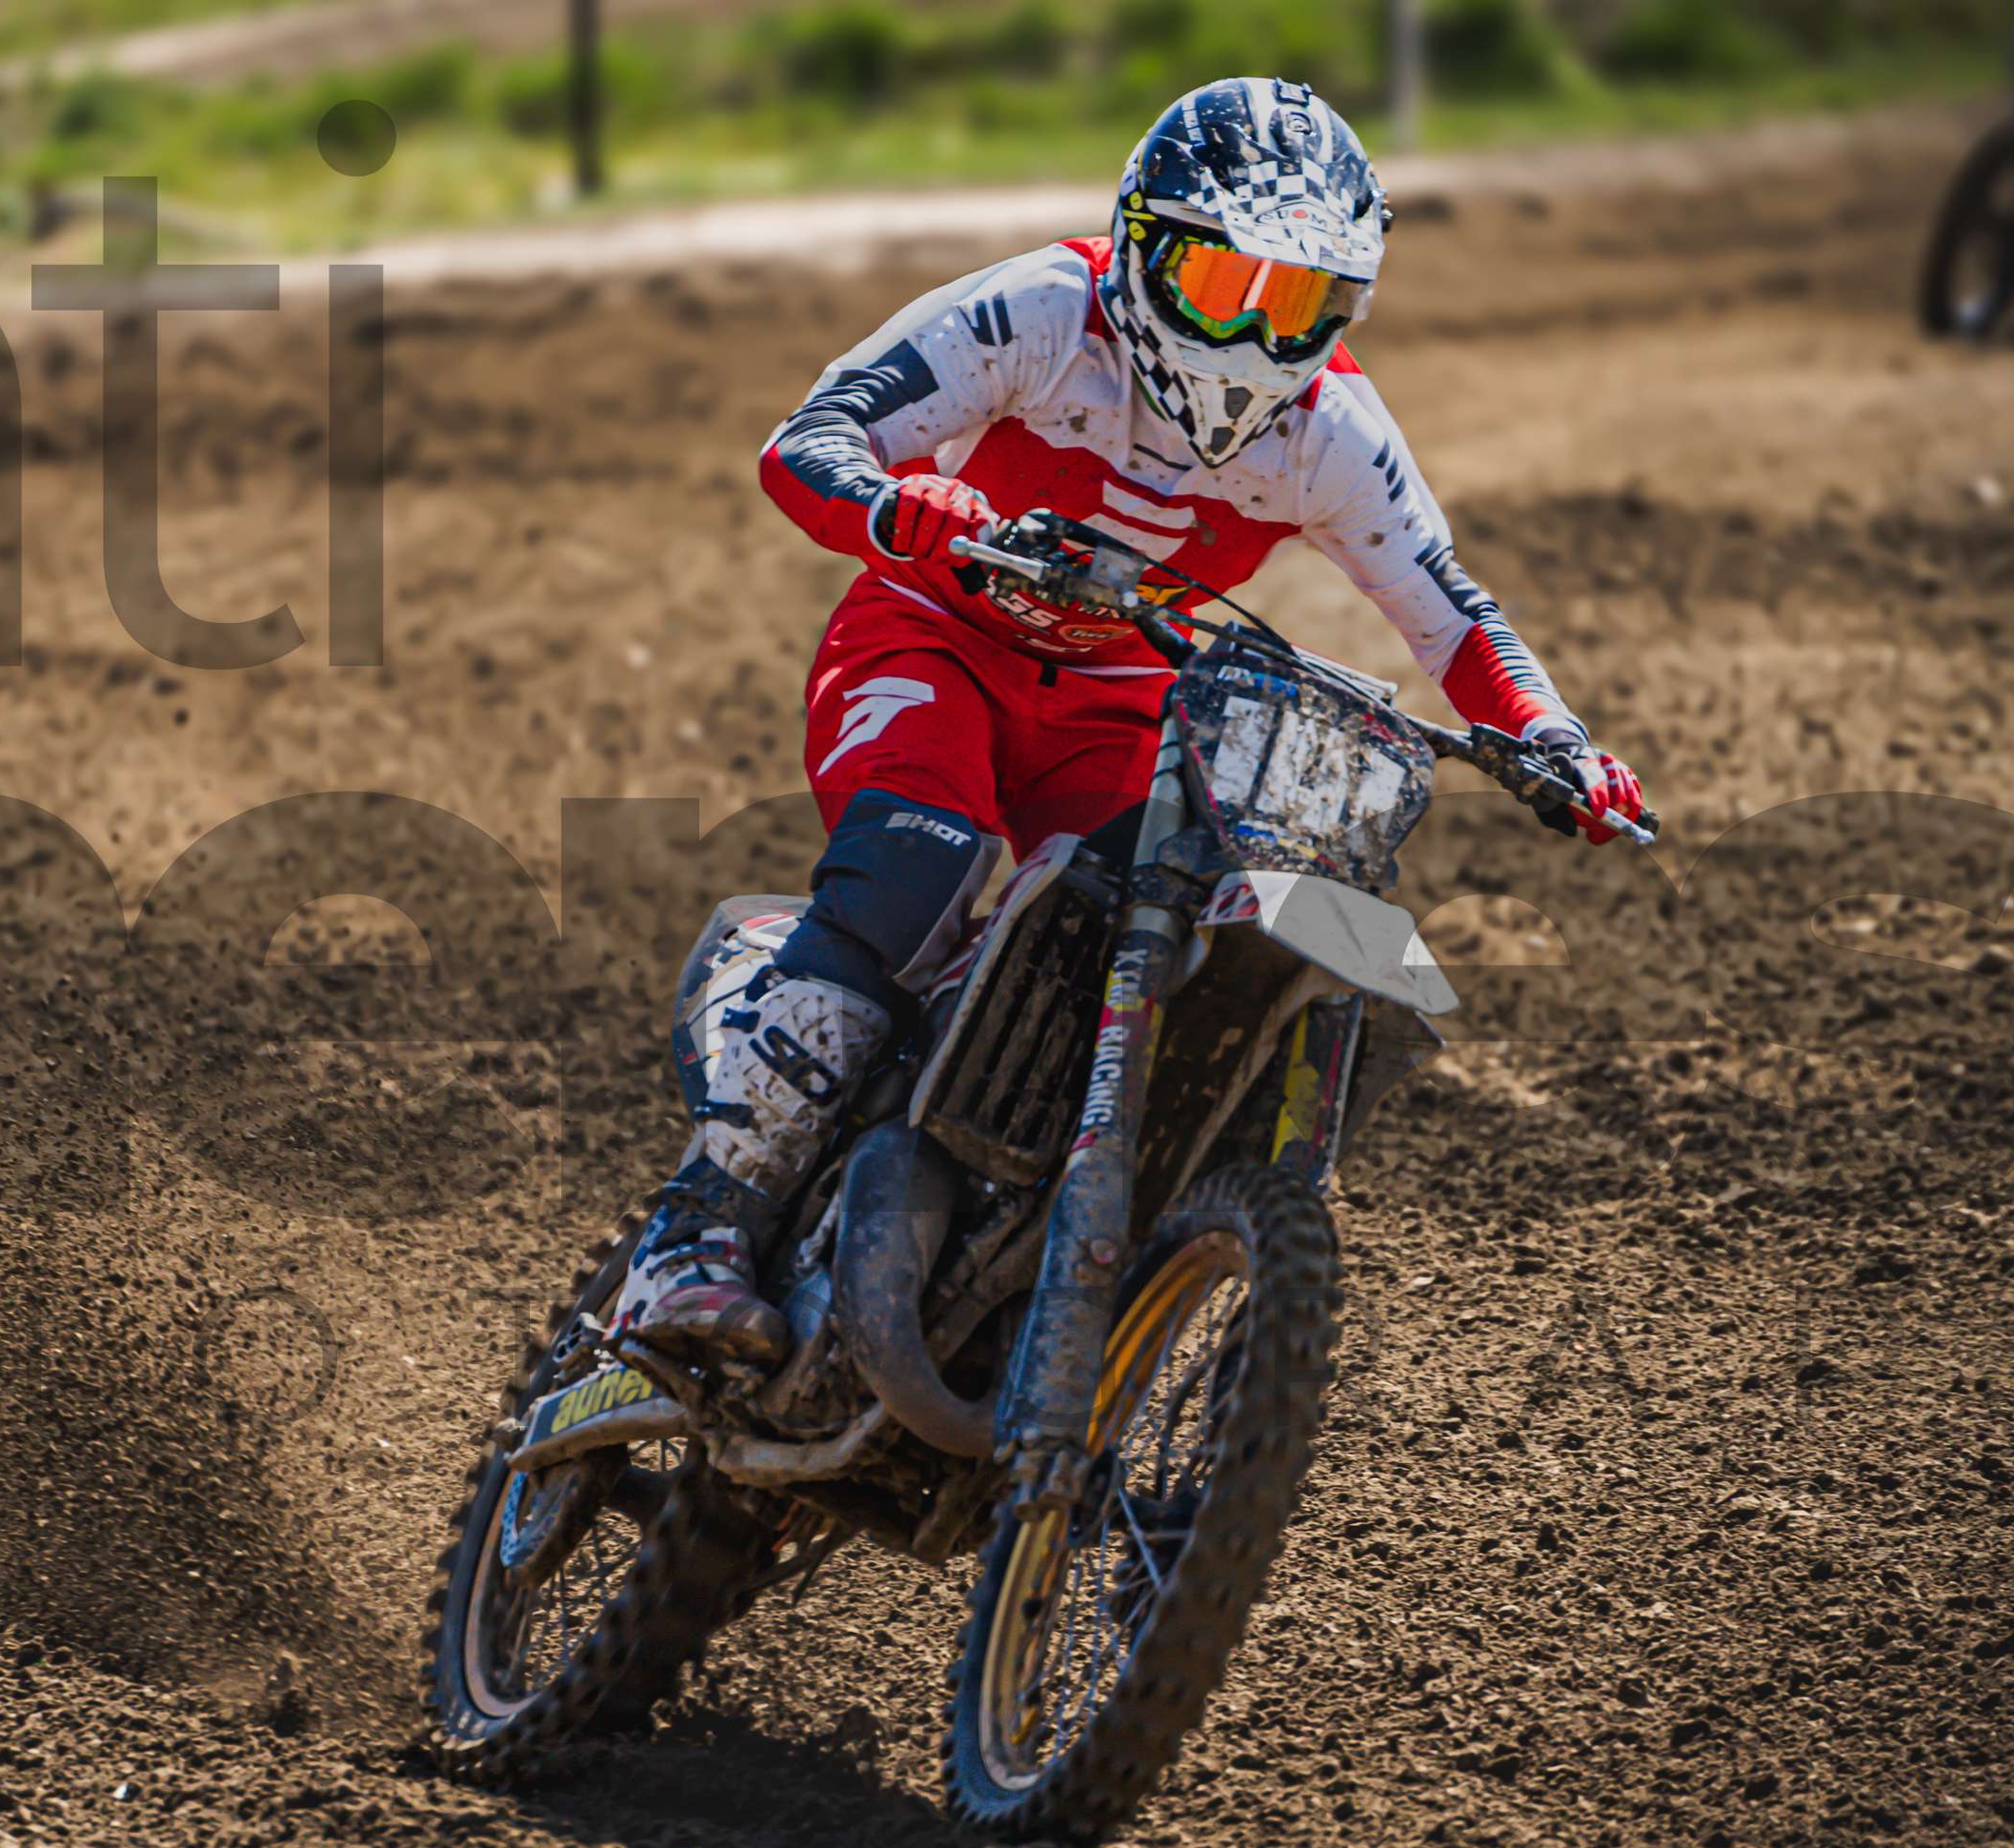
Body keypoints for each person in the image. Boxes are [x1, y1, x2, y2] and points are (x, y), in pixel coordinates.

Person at [618, 76, 1649, 1367]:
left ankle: (1008, 1247)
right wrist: (899, 506)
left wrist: (1554, 738)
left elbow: (1452, 615)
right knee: (920, 863)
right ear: (1144, 245)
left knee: (1155, 927)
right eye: (1225, 285)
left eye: (1300, 304)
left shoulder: (1332, 431)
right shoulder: (1043, 311)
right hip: (932, 640)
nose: (1257, 336)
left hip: (1119, 703)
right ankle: (696, 1231)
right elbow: (811, 437)